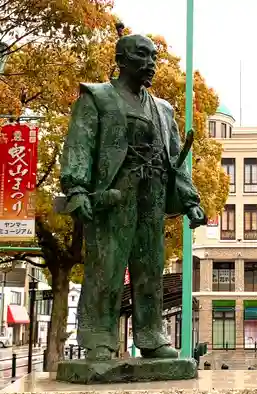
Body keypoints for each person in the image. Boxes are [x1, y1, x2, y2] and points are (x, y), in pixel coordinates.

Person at [60, 34, 207, 361]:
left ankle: (152, 336)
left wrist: (191, 200)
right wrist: (77, 188)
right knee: (106, 267)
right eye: (143, 56)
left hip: (151, 197)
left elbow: (175, 161)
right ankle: (99, 338)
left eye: (154, 57)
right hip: (112, 197)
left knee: (150, 268)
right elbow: (79, 145)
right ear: (122, 60)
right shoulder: (96, 97)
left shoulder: (163, 110)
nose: (152, 63)